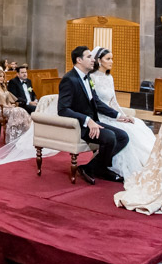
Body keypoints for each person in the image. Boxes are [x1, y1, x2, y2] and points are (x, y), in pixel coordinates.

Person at [58, 46, 132, 185]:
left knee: (123, 136)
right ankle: (99, 168)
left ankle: (93, 167)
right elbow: (63, 110)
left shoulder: (87, 77)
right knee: (110, 136)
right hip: (79, 125)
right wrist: (87, 120)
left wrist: (118, 116)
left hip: (93, 122)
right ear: (79, 60)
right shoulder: (69, 79)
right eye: (89, 57)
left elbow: (96, 102)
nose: (93, 60)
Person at [90, 47, 156, 180]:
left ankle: (152, 162)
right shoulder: (91, 78)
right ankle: (103, 165)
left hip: (112, 114)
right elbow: (96, 103)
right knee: (127, 132)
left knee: (137, 124)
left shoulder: (109, 77)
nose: (112, 61)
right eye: (108, 59)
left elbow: (113, 101)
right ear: (99, 60)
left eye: (112, 58)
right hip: (101, 116)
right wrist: (117, 116)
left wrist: (123, 116)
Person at [0, 69, 32, 144]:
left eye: (3, 76)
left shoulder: (3, 87)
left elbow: (8, 100)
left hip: (6, 107)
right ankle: (12, 138)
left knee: (21, 110)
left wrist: (10, 105)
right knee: (15, 111)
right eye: (0, 76)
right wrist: (7, 106)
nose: (2, 78)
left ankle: (22, 135)